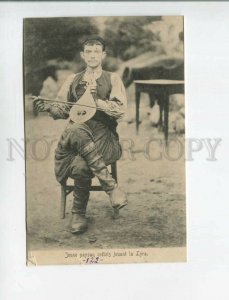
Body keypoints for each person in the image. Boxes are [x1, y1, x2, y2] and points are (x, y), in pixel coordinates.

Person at [34, 36, 128, 234]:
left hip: (103, 136)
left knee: (81, 165)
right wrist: (48, 108)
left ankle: (78, 213)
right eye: (89, 51)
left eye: (96, 51)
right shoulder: (73, 80)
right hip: (75, 137)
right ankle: (112, 188)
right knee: (76, 127)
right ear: (82, 55)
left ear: (103, 55)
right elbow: (62, 109)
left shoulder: (113, 79)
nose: (92, 55)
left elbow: (120, 110)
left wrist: (97, 101)